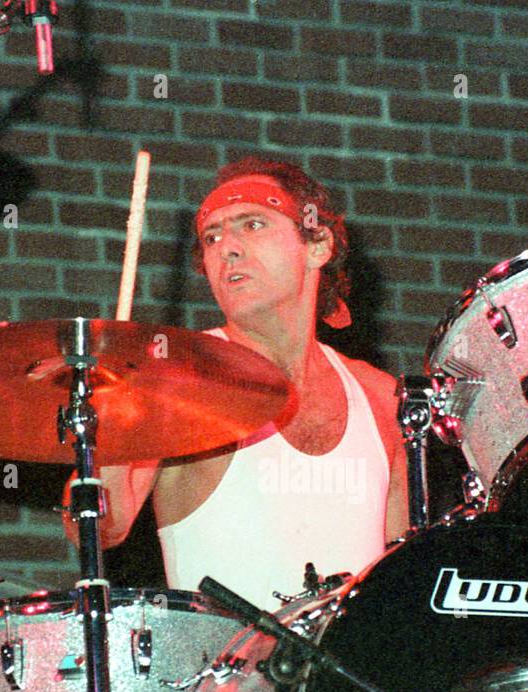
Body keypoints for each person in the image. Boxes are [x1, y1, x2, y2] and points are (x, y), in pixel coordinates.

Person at [64, 157, 408, 609]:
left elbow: (402, 582)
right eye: (213, 236)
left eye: (253, 224)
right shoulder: (177, 381)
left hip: (348, 672)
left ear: (317, 244)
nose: (227, 246)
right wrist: (110, 423)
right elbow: (101, 530)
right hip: (225, 673)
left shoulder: (382, 396)